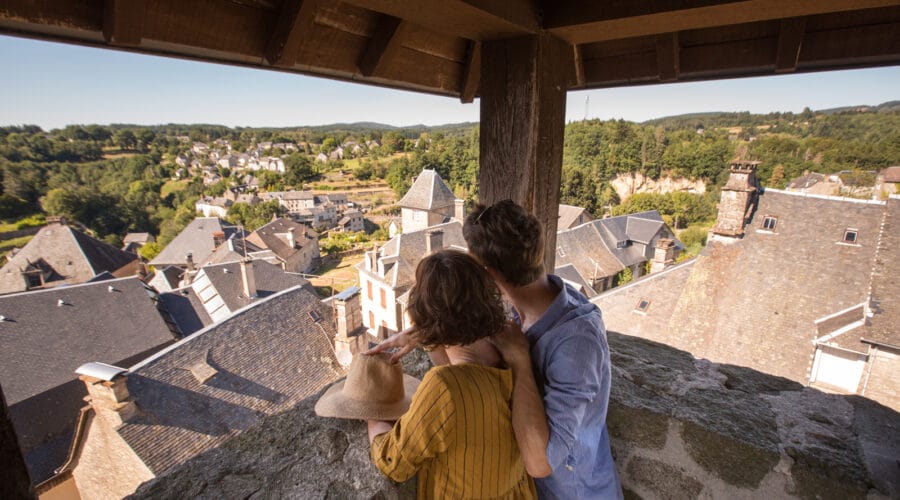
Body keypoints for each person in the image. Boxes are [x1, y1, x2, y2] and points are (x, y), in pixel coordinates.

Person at [368, 199, 622, 499]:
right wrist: (429, 329)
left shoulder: (576, 345)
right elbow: (471, 343)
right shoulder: (513, 310)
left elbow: (541, 464)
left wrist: (520, 362)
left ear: (487, 273)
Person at [367, 249, 537, 499]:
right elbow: (452, 356)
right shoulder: (510, 350)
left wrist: (371, 413)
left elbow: (393, 463)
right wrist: (426, 332)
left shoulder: (444, 388)